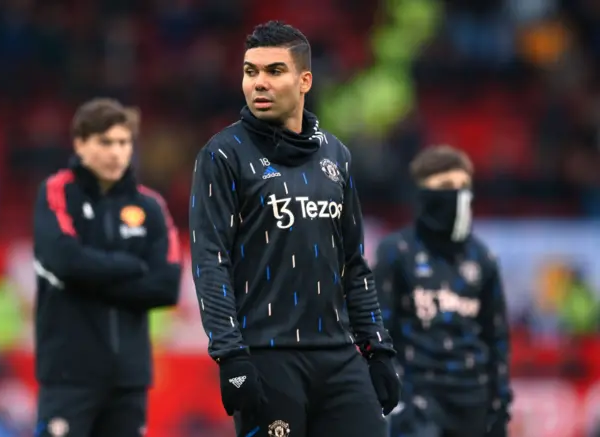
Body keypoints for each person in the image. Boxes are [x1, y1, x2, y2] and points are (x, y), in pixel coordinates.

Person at [189, 21, 401, 437]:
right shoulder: (223, 155)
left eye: (274, 71)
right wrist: (230, 356)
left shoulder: (336, 155)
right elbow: (209, 261)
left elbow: (353, 265)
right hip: (267, 357)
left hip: (340, 356)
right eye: (251, 72)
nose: (259, 84)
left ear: (304, 80)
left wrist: (378, 350)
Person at [33, 98, 182, 437]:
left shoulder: (150, 206)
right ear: (80, 144)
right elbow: (64, 261)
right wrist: (130, 266)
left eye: (124, 142)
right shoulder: (56, 192)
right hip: (68, 378)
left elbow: (166, 285)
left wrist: (88, 277)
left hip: (128, 381)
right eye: (105, 142)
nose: (116, 152)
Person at [373, 145, 512, 437]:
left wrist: (500, 401)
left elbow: (496, 336)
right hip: (417, 398)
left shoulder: (483, 258)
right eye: (446, 187)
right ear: (422, 192)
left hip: (474, 400)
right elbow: (378, 330)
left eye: (464, 187)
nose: (458, 196)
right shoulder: (396, 252)